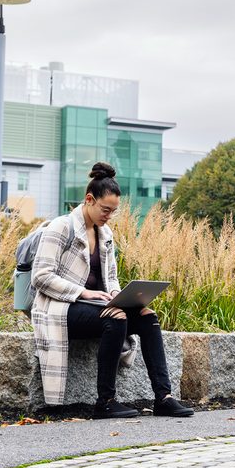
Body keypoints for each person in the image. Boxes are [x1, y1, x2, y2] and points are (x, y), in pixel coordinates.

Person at [30, 162, 193, 419]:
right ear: (89, 200)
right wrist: (84, 293)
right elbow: (41, 277)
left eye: (113, 211)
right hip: (59, 307)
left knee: (148, 317)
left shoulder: (105, 233)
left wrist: (121, 296)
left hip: (96, 306)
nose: (108, 216)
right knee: (116, 319)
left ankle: (163, 397)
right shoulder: (61, 227)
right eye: (105, 209)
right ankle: (105, 401)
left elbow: (111, 278)